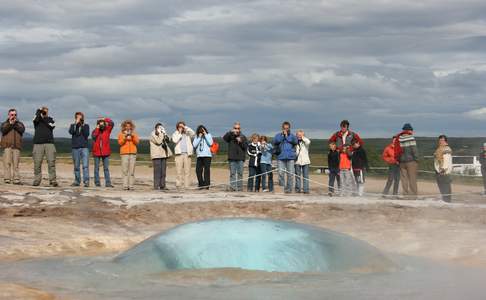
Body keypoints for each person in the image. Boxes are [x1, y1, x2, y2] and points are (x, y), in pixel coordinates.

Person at [32, 107, 57, 187]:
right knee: (37, 163)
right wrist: (38, 112)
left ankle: (53, 180)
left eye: (45, 111)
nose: (44, 112)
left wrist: (43, 118)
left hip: (49, 143)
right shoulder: (36, 119)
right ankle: (37, 180)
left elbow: (52, 126)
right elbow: (35, 120)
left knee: (51, 162)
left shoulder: (50, 119)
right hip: (38, 144)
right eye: (43, 111)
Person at [1, 109, 25, 184]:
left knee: (16, 164)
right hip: (7, 146)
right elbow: (3, 130)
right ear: (8, 115)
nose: (13, 116)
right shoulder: (4, 123)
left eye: (15, 115)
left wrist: (15, 123)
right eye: (12, 114)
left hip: (16, 146)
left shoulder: (20, 124)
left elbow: (22, 130)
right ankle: (7, 179)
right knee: (7, 163)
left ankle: (16, 179)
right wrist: (10, 123)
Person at [395, 123, 419, 199]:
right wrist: (417, 159)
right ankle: (413, 195)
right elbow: (414, 150)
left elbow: (396, 151)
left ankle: (405, 194)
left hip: (402, 162)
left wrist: (398, 160)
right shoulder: (410, 137)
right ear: (409, 130)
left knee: (404, 179)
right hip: (410, 161)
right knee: (412, 178)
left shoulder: (398, 138)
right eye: (412, 130)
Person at [273, 121, 298, 193]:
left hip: (290, 158)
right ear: (282, 128)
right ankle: (282, 189)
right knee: (280, 173)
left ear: (289, 128)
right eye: (284, 128)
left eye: (287, 128)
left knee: (290, 174)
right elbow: (275, 141)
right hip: (281, 157)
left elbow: (295, 142)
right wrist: (282, 136)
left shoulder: (292, 136)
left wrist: (287, 137)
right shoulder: (278, 135)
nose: (286, 129)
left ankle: (289, 189)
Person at [223, 122, 247, 192]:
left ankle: (239, 188)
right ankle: (232, 187)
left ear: (240, 129)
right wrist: (230, 132)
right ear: (233, 128)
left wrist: (241, 141)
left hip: (240, 158)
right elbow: (224, 138)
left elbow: (245, 147)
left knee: (240, 174)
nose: (236, 130)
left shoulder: (243, 136)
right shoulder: (230, 136)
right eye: (235, 128)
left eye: (238, 128)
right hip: (232, 158)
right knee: (232, 173)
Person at [69, 112, 90, 187]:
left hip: (84, 147)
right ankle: (77, 181)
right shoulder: (72, 125)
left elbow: (86, 134)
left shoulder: (86, 126)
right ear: (75, 118)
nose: (79, 119)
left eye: (80, 117)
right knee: (76, 166)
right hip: (75, 148)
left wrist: (82, 126)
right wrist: (75, 124)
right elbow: (71, 132)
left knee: (85, 165)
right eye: (78, 117)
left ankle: (86, 181)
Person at [172, 121, 195, 189]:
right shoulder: (175, 133)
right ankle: (178, 184)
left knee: (187, 171)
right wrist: (179, 133)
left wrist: (185, 127)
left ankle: (186, 185)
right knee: (178, 170)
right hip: (179, 154)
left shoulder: (187, 133)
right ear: (177, 127)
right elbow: (175, 140)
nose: (181, 128)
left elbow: (193, 133)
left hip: (187, 154)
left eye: (182, 126)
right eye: (180, 126)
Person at [92, 117, 114, 188]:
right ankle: (97, 183)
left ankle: (108, 183)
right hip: (97, 152)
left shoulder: (107, 130)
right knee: (96, 168)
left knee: (106, 168)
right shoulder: (95, 130)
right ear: (98, 124)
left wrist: (105, 119)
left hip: (105, 152)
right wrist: (97, 128)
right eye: (100, 123)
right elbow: (94, 136)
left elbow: (112, 123)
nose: (101, 125)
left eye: (102, 123)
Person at [150, 123, 172, 190]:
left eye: (161, 127)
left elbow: (168, 141)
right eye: (159, 128)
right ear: (156, 128)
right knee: (157, 172)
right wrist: (160, 134)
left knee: (163, 172)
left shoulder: (162, 133)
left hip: (163, 155)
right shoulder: (152, 134)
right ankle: (156, 186)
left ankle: (163, 185)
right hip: (156, 155)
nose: (160, 129)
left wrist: (165, 134)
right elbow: (158, 141)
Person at [118, 120, 139, 190]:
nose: (128, 127)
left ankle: (131, 186)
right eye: (126, 126)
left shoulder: (134, 134)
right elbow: (120, 143)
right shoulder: (121, 134)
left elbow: (137, 142)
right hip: (124, 153)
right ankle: (125, 185)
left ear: (132, 127)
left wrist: (132, 137)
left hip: (133, 153)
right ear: (124, 127)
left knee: (132, 171)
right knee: (125, 171)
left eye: (129, 126)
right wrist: (125, 137)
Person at [193, 125, 213, 189]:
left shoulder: (209, 135)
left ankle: (207, 185)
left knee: (206, 170)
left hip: (207, 155)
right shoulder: (197, 136)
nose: (201, 131)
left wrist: (205, 134)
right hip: (199, 156)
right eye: (200, 130)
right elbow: (194, 145)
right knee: (198, 170)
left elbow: (211, 143)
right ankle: (201, 184)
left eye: (203, 130)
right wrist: (199, 137)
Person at [434, 135, 453, 202]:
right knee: (441, 186)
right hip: (438, 171)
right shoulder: (439, 149)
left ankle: (447, 200)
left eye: (442, 140)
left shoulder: (446, 149)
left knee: (446, 187)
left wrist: (443, 169)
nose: (441, 142)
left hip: (444, 171)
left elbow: (447, 160)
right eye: (440, 140)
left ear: (445, 141)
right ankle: (444, 199)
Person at [295, 130, 311, 194]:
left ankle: (306, 189)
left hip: (305, 161)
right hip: (297, 161)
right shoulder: (295, 142)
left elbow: (308, 142)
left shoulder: (305, 142)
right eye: (298, 135)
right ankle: (298, 189)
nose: (299, 136)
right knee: (297, 176)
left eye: (300, 135)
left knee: (306, 176)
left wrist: (303, 137)